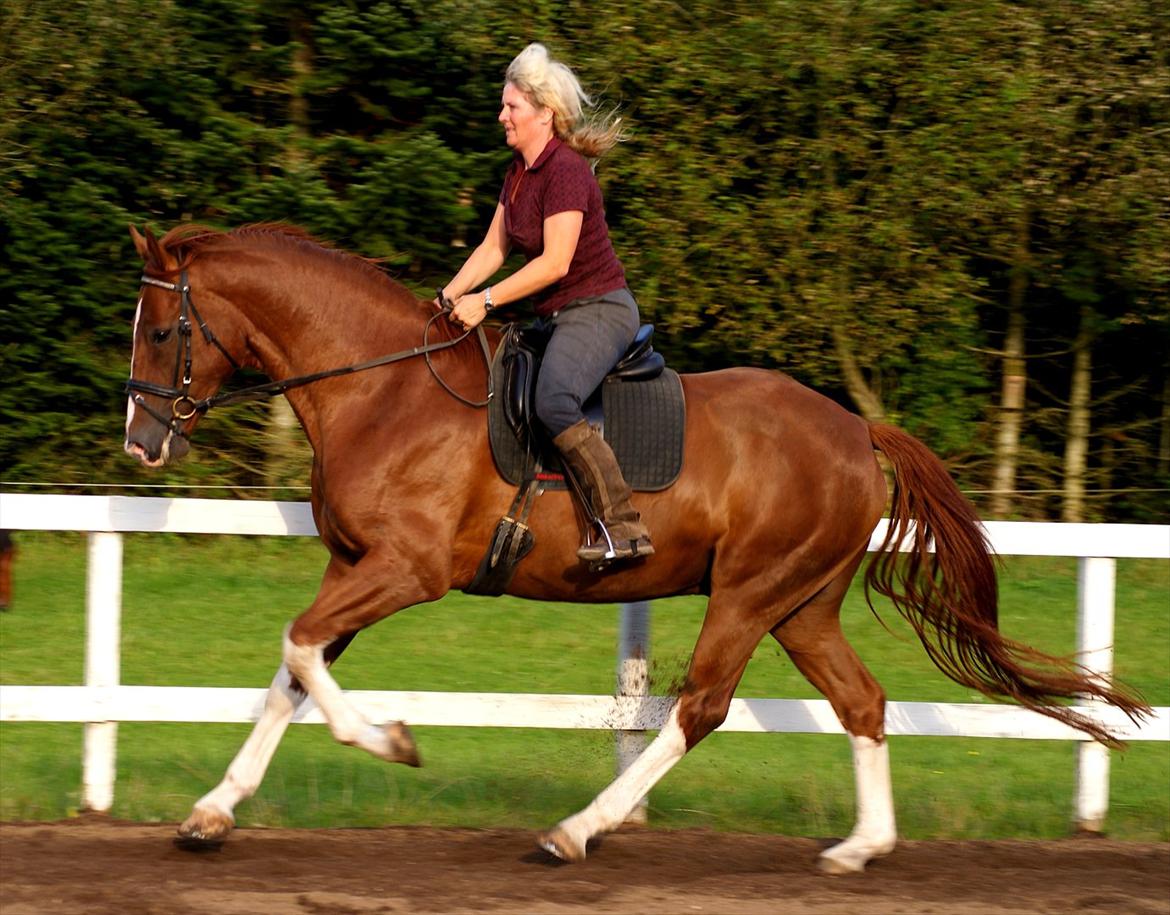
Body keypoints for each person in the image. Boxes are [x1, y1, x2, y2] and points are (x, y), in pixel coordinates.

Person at [439, 43, 652, 564]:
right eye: (504, 105)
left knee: (553, 399)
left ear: (543, 113)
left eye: (511, 106)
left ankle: (623, 527)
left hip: (599, 309)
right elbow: (493, 247)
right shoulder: (518, 174)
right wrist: (444, 299)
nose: (502, 116)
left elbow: (556, 263)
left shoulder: (567, 171)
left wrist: (484, 301)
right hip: (554, 317)